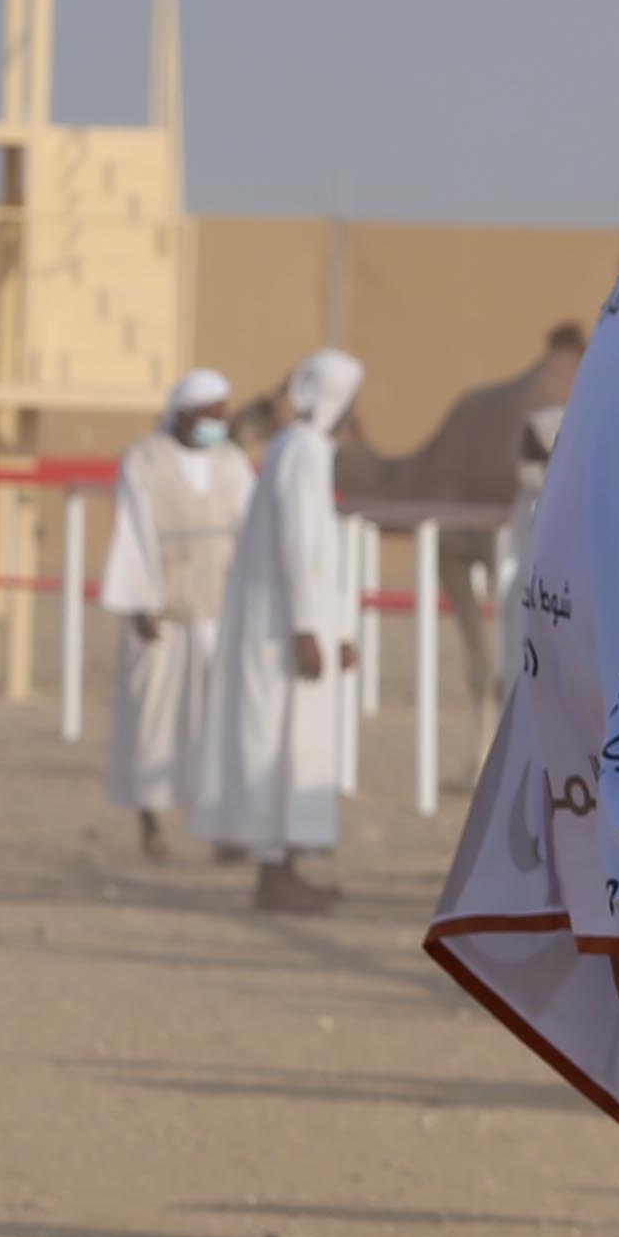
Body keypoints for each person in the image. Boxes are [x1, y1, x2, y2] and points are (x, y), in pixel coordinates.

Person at [200, 349, 366, 913]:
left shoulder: (307, 451)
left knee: (301, 744)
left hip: (304, 624)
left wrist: (338, 627)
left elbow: (325, 553)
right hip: (284, 629)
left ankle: (288, 866)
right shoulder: (299, 451)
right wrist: (305, 627)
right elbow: (296, 545)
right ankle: (274, 874)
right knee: (278, 743)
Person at [98, 368, 254, 859]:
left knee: (219, 722)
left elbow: (249, 534)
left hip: (217, 610)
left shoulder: (232, 464)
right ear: (184, 415)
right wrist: (139, 602)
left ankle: (222, 830)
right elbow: (132, 535)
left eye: (222, 415)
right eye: (210, 415)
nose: (218, 423)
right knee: (153, 719)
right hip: (162, 611)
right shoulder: (144, 461)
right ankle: (152, 823)